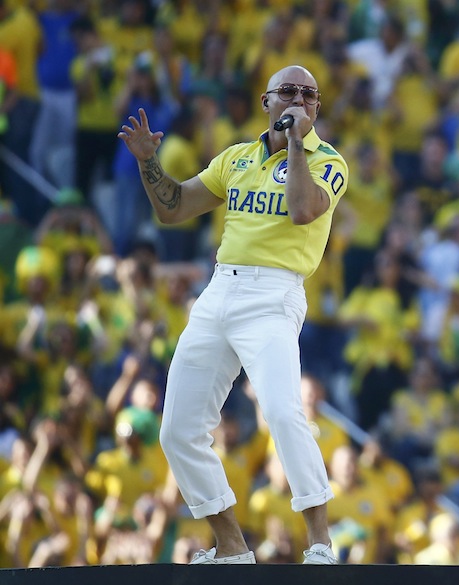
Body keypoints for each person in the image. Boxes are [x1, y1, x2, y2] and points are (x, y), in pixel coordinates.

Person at [117, 65, 349, 565]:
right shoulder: (236, 158)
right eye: (287, 91)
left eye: (309, 94)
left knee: (284, 413)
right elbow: (174, 209)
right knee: (176, 429)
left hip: (275, 294)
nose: (298, 100)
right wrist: (148, 162)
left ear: (317, 108)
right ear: (265, 101)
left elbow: (305, 210)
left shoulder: (328, 160)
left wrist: (296, 145)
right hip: (219, 289)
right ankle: (231, 545)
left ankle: (321, 544)